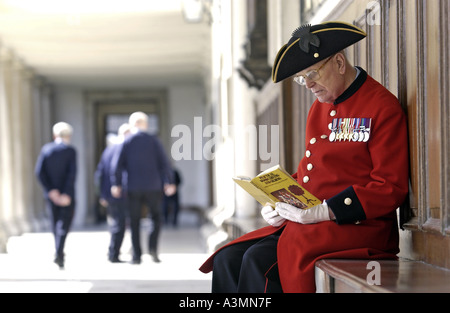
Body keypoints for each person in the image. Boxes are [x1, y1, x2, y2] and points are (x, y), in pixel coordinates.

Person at [199, 22, 409, 293]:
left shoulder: (381, 107)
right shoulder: (319, 107)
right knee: (228, 259)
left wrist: (326, 210)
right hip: (312, 223)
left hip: (357, 226)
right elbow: (315, 172)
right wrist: (278, 202)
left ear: (339, 63)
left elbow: (390, 188)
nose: (308, 85)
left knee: (256, 261)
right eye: (301, 78)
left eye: (312, 74)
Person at [110, 111, 176, 264]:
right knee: (155, 218)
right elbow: (165, 163)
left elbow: (117, 164)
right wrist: (169, 181)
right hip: (153, 186)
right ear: (145, 124)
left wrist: (116, 183)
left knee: (134, 221)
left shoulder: (127, 141)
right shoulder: (154, 140)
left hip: (133, 187)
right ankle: (153, 251)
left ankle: (137, 255)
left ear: (133, 125)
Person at [35, 122, 77, 269]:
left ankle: (58, 252)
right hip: (66, 195)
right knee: (64, 225)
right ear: (68, 135)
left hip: (52, 196)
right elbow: (71, 174)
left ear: (54, 135)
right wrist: (65, 194)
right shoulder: (70, 151)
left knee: (55, 224)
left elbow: (39, 172)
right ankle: (59, 252)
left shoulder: (46, 150)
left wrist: (51, 190)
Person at [95, 123, 131, 263]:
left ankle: (113, 251)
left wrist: (102, 194)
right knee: (119, 224)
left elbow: (99, 174)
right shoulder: (123, 149)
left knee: (116, 223)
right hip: (120, 192)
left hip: (110, 194)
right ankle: (114, 253)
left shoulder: (108, 150)